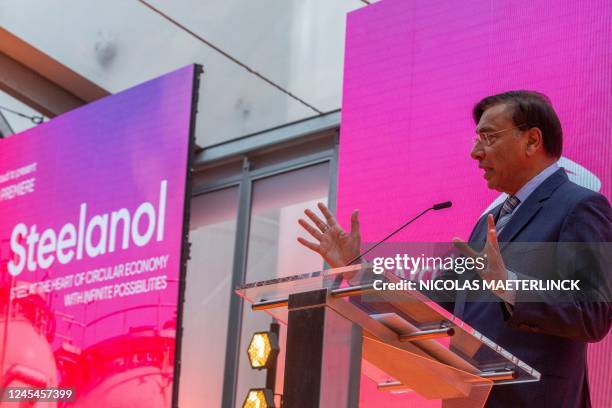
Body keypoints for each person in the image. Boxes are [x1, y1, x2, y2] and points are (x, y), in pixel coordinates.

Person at [297, 90, 612, 407]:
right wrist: (358, 268)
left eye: (488, 138)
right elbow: (433, 301)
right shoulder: (488, 223)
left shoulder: (580, 206)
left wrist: (511, 286)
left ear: (532, 141)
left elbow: (593, 313)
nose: (476, 152)